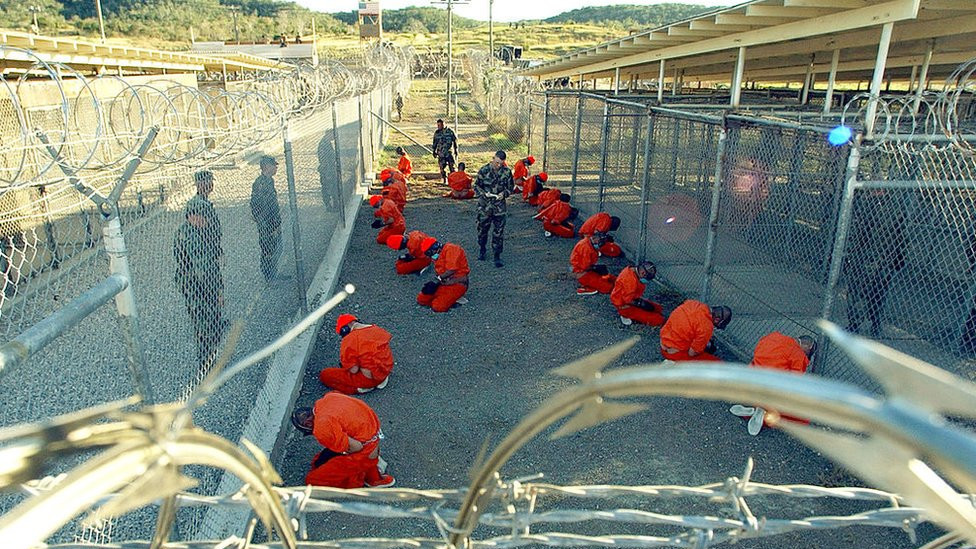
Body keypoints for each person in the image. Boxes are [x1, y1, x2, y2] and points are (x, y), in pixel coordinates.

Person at [292, 392, 395, 488]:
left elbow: (356, 447)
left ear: (308, 425)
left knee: (312, 479)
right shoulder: (329, 397)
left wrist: (342, 451)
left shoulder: (321, 427)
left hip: (365, 449)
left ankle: (364, 473)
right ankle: (372, 468)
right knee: (321, 459)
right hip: (373, 437)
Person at [844, 191, 907, 338]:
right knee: (877, 294)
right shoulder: (895, 208)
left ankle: (859, 323)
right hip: (880, 259)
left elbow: (860, 235)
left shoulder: (871, 207)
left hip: (870, 258)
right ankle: (872, 324)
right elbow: (901, 237)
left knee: (862, 292)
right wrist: (899, 259)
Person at [174, 199, 227, 370]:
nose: (207, 221)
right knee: (204, 323)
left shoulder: (195, 231)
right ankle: (207, 362)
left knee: (209, 320)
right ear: (192, 216)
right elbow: (205, 269)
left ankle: (210, 356)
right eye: (203, 217)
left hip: (199, 284)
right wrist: (217, 292)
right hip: (197, 286)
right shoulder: (191, 236)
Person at [730, 333, 816, 435]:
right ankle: (762, 412)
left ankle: (755, 408)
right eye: (809, 353)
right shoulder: (799, 355)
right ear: (808, 347)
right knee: (801, 416)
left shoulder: (773, 336)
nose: (807, 356)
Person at [319, 314, 394, 395]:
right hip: (385, 371)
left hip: (368, 379)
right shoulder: (377, 329)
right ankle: (380, 380)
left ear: (345, 329)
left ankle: (360, 388)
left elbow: (353, 370)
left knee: (325, 375)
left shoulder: (350, 340)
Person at [474, 150, 515, 268]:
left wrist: (504, 194)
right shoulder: (484, 170)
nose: (498, 165)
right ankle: (482, 249)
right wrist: (483, 194)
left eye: (500, 163)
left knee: (498, 233)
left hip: (499, 208)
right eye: (496, 162)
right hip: (484, 207)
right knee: (482, 231)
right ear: (493, 159)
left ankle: (497, 255)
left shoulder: (506, 172)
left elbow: (510, 187)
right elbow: (476, 186)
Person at [659, 300, 732, 362]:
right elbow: (692, 353)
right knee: (718, 363)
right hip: (674, 354)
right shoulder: (707, 327)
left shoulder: (693, 303)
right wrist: (703, 347)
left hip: (663, 343)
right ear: (717, 319)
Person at [249, 156, 283, 282]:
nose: (276, 168)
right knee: (268, 248)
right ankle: (268, 276)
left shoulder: (269, 181)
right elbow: (260, 206)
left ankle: (273, 272)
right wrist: (270, 225)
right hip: (267, 223)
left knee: (275, 248)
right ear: (267, 167)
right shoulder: (261, 183)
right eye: (274, 165)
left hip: (271, 222)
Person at [416, 237, 470, 312]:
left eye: (429, 253)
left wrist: (437, 279)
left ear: (434, 248)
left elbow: (451, 269)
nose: (430, 256)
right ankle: (450, 298)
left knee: (437, 306)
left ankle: (453, 299)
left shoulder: (452, 249)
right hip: (444, 282)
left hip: (457, 282)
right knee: (421, 299)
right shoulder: (437, 254)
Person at [610, 262, 664, 326]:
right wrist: (640, 304)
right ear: (643, 273)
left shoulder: (630, 270)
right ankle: (626, 315)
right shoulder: (631, 283)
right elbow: (627, 300)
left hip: (631, 298)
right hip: (624, 305)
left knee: (657, 308)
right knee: (659, 320)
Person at [188, 170, 222, 260]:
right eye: (207, 181)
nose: (211, 184)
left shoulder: (204, 202)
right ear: (200, 184)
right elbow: (203, 228)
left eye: (211, 181)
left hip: (208, 248)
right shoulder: (197, 204)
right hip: (202, 250)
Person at [432, 118, 459, 184]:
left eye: (440, 125)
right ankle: (444, 180)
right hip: (441, 153)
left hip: (449, 153)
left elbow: (455, 141)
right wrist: (434, 151)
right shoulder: (437, 133)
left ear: (443, 124)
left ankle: (454, 181)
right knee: (442, 168)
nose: (439, 127)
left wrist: (456, 150)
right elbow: (434, 142)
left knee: (452, 167)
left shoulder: (450, 131)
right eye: (438, 125)